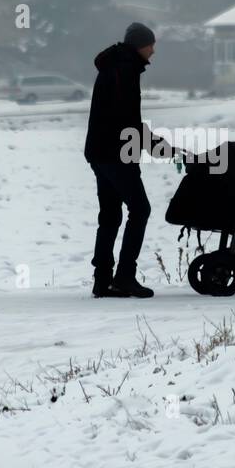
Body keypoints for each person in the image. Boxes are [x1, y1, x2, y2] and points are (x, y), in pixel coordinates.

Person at [84, 21, 162, 298]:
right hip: (115, 153)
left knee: (110, 216)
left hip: (100, 152)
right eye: (151, 44)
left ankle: (102, 280)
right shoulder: (124, 71)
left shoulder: (115, 66)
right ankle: (125, 276)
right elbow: (125, 118)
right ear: (140, 45)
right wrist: (153, 143)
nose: (153, 50)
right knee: (140, 210)